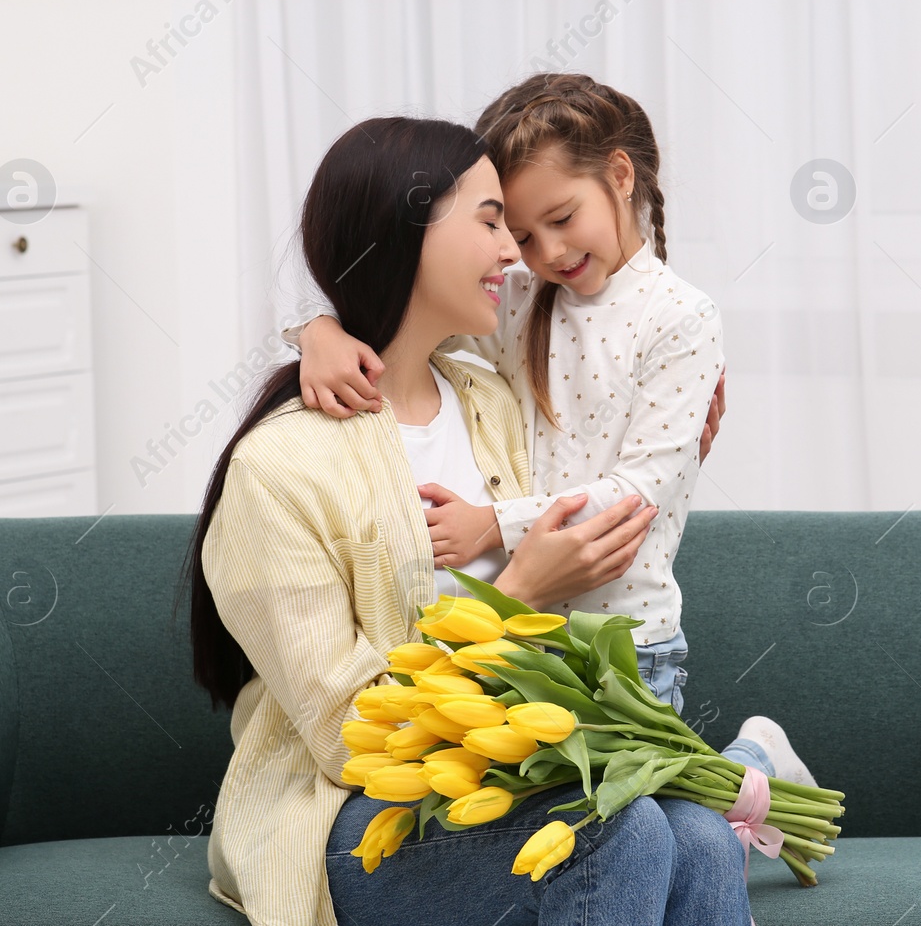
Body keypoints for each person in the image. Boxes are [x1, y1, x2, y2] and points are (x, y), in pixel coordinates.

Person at [183, 116, 752, 926]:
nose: (516, 252)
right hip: (349, 814)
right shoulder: (279, 471)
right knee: (614, 835)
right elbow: (353, 741)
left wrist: (682, 433)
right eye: (493, 221)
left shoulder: (491, 398)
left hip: (505, 773)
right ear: (405, 230)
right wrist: (517, 590)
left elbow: (599, 426)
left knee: (700, 838)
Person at [287, 74, 813, 784]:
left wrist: (490, 526)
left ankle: (756, 762)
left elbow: (637, 496)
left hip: (628, 640)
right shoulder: (528, 298)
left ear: (620, 175)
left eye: (564, 217)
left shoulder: (681, 317)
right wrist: (317, 328)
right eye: (523, 233)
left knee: (639, 831)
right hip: (528, 637)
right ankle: (754, 772)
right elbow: (413, 325)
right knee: (594, 829)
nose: (547, 252)